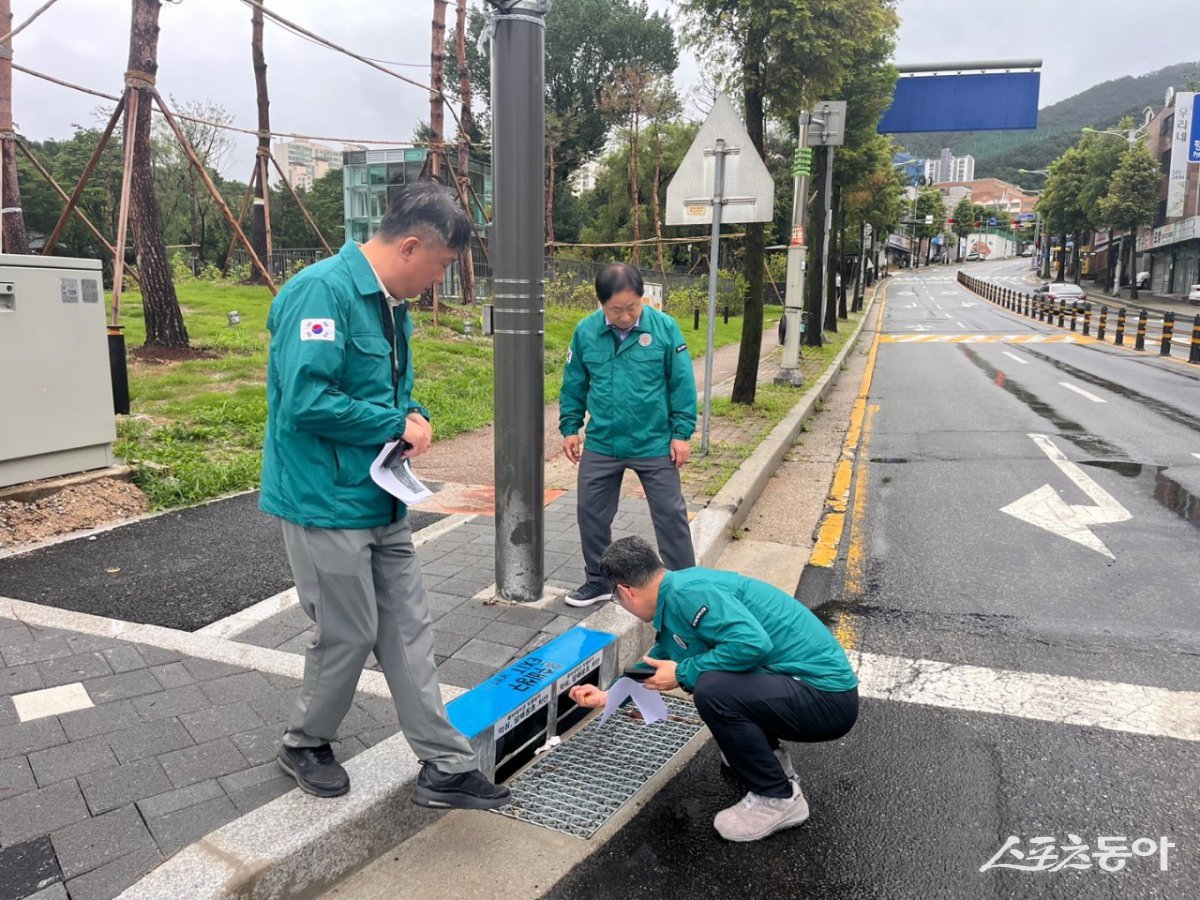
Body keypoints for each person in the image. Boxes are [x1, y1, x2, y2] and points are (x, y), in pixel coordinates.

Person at [260, 181, 508, 810]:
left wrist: (413, 415)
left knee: (409, 629)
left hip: (380, 498)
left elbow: (392, 393)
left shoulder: (391, 306)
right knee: (348, 631)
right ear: (409, 246)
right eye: (441, 266)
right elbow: (305, 401)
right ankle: (305, 742)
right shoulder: (322, 292)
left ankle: (445, 766)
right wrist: (394, 425)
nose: (438, 280)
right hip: (323, 500)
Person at [568, 537, 858, 842]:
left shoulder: (690, 594)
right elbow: (660, 659)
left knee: (711, 688)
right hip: (804, 689)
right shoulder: (675, 592)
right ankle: (771, 761)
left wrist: (682, 673)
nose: (622, 604)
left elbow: (751, 644)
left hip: (827, 700)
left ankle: (778, 797)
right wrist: (609, 695)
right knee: (714, 679)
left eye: (616, 598)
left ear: (626, 591)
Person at [558, 263, 697, 607]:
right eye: (616, 309)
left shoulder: (664, 328)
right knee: (590, 511)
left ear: (642, 298)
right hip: (604, 440)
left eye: (632, 307)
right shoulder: (586, 331)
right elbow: (574, 382)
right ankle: (599, 581)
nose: (625, 316)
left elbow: (682, 384)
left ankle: (685, 585)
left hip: (653, 442)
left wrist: (681, 433)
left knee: (670, 514)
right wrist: (570, 427)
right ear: (601, 303)